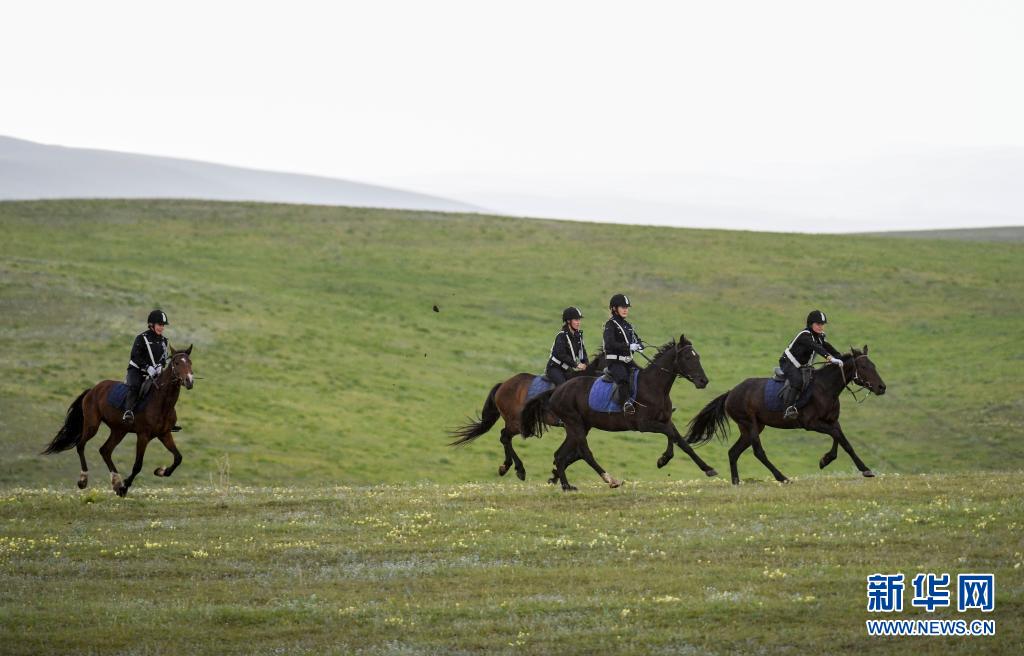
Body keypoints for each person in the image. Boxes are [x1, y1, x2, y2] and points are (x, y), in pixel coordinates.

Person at [780, 310, 844, 419]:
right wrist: (830, 358)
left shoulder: (820, 336)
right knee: (798, 381)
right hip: (788, 363)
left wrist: (841, 357)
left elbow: (827, 347)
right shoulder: (804, 336)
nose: (821, 327)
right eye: (818, 324)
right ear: (811, 324)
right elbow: (817, 347)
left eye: (822, 325)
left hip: (803, 366)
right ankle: (788, 408)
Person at [123, 309, 174, 426]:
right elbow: (135, 356)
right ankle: (128, 412)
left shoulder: (164, 341)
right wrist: (147, 367)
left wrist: (160, 366)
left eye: (163, 326)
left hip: (154, 372)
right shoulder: (141, 338)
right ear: (152, 325)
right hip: (136, 370)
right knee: (135, 386)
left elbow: (163, 358)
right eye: (160, 325)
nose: (162, 328)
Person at [603, 294, 643, 414]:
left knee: (643, 376)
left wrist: (640, 345)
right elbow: (609, 344)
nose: (626, 309)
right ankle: (626, 403)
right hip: (615, 362)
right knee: (623, 379)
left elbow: (637, 339)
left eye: (627, 307)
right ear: (614, 309)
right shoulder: (610, 324)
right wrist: (628, 346)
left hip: (628, 361)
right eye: (622, 307)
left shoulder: (628, 325)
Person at [546, 307, 588, 385]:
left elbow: (582, 352)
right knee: (563, 387)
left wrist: (586, 364)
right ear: (568, 321)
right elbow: (562, 355)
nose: (578, 322)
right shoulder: (561, 336)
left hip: (567, 369)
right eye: (576, 320)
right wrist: (577, 365)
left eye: (579, 320)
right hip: (555, 368)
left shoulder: (578, 336)